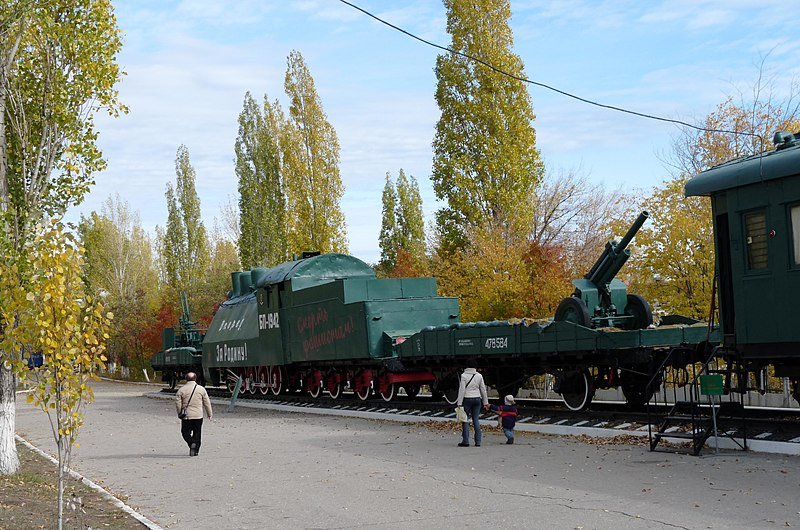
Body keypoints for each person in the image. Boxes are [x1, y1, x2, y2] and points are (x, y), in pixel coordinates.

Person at [175, 372, 213, 456]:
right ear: (195, 379)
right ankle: (196, 450)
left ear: (186, 379)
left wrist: (179, 413)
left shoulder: (181, 390)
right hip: (198, 415)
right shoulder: (201, 389)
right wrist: (209, 414)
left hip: (186, 416)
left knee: (185, 432)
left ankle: (191, 443)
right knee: (197, 433)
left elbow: (178, 404)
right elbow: (207, 402)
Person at [456, 366, 488, 447]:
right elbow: (483, 389)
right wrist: (485, 402)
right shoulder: (479, 376)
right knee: (476, 420)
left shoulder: (463, 376)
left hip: (467, 399)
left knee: (465, 420)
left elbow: (462, 389)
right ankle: (478, 442)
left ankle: (465, 441)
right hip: (477, 399)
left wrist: (459, 403)